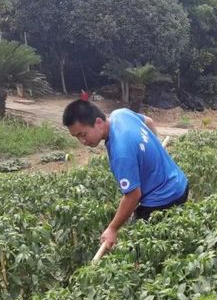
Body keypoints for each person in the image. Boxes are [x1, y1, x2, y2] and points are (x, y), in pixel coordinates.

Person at [62, 98, 188, 249]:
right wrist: (154, 150)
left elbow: (133, 195)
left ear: (98, 122)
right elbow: (149, 122)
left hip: (163, 200)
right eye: (77, 137)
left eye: (83, 134)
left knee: (139, 249)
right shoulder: (121, 114)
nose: (82, 141)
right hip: (180, 183)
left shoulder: (121, 153)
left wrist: (112, 229)